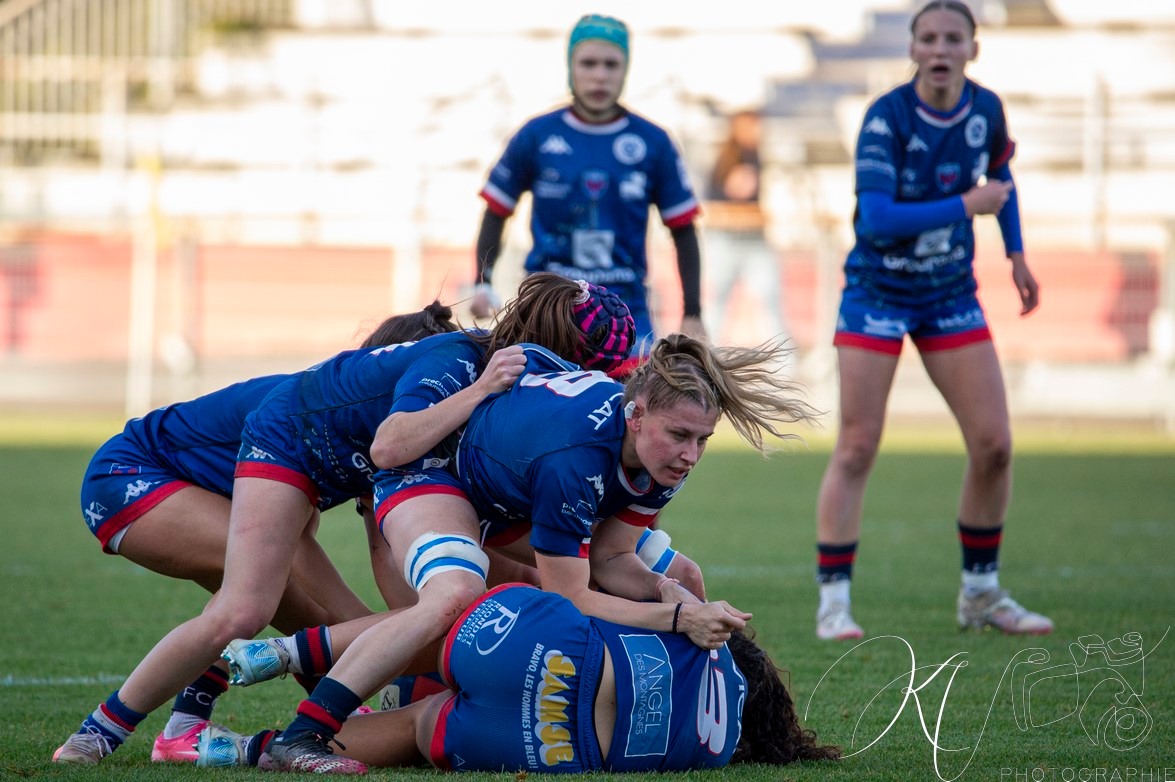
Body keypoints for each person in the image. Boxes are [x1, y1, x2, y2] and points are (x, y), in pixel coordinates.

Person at [52, 274, 636, 765]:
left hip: (259, 471)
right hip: (135, 476)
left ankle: (204, 726)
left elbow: (400, 585)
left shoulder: (466, 402)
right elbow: (388, 448)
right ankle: (98, 734)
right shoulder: (455, 372)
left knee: (335, 621)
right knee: (252, 608)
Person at [240, 331, 821, 774]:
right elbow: (574, 596)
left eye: (703, 440)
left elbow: (612, 559)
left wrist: (665, 590)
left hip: (511, 494)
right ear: (636, 413)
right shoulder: (576, 458)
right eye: (680, 436)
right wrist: (675, 619)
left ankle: (287, 722)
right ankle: (299, 712)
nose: (691, 455)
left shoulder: (657, 457)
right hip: (437, 471)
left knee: (679, 572)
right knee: (455, 597)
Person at [57, 303, 458, 765]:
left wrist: (422, 622)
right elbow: (322, 581)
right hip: (130, 475)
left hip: (192, 487)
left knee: (297, 613)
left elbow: (382, 551)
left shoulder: (380, 423)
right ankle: (97, 734)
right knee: (263, 609)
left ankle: (184, 729)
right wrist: (397, 641)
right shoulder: (332, 408)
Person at [813, 0, 1051, 641]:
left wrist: (1016, 254)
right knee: (857, 444)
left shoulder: (986, 109)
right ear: (913, 49)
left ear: (973, 48)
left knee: (995, 446)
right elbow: (877, 220)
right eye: (929, 38)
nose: (941, 49)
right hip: (878, 292)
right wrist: (965, 205)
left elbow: (1002, 177)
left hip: (948, 293)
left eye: (953, 38)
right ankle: (834, 602)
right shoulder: (885, 117)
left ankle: (981, 594)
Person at [197, 584, 841, 774]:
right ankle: (238, 751)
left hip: (550, 649)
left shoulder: (708, 637)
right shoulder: (717, 754)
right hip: (555, 747)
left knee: (432, 625)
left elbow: (625, 597)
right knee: (421, 725)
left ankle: (286, 653)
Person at [471, 13, 707, 371]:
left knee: (633, 405)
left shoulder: (653, 142)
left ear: (625, 70)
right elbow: (496, 211)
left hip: (625, 316)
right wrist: (483, 282)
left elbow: (684, 230)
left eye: (611, 65)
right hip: (547, 312)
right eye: (588, 63)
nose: (600, 75)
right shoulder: (536, 135)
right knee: (535, 402)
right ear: (571, 67)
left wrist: (693, 313)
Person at [702, 108, 787, 345]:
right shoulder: (730, 158)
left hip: (750, 236)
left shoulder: (754, 156)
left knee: (769, 301)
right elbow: (734, 191)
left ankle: (784, 359)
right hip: (728, 237)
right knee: (718, 303)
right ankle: (705, 353)